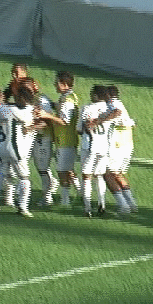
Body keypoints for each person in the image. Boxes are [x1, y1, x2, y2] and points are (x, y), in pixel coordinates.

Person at [0, 86, 40, 217]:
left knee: (0, 172)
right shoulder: (14, 110)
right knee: (24, 177)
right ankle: (23, 207)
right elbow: (29, 119)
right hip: (14, 148)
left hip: (0, 148)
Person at [89, 85, 138, 216]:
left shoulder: (112, 103)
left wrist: (98, 121)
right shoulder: (119, 103)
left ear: (108, 95)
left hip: (118, 146)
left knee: (107, 173)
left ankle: (123, 206)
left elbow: (117, 112)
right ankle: (131, 203)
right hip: (127, 144)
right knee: (118, 174)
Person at [36, 71, 81, 206]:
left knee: (62, 171)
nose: (55, 85)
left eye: (57, 83)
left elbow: (64, 121)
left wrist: (46, 115)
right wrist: (51, 103)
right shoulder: (68, 97)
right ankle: (82, 194)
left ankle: (65, 201)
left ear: (65, 84)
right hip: (67, 140)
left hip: (65, 140)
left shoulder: (67, 101)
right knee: (69, 170)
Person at [76, 85, 112, 217]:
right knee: (99, 176)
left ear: (96, 95)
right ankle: (102, 204)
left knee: (86, 176)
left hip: (89, 146)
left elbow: (79, 129)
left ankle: (87, 208)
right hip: (104, 147)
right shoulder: (109, 109)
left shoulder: (87, 108)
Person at [30, 82, 60, 207]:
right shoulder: (32, 100)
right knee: (40, 167)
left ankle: (47, 197)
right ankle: (52, 184)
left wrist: (31, 127)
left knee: (42, 169)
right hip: (36, 137)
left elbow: (47, 122)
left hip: (43, 138)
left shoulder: (42, 100)